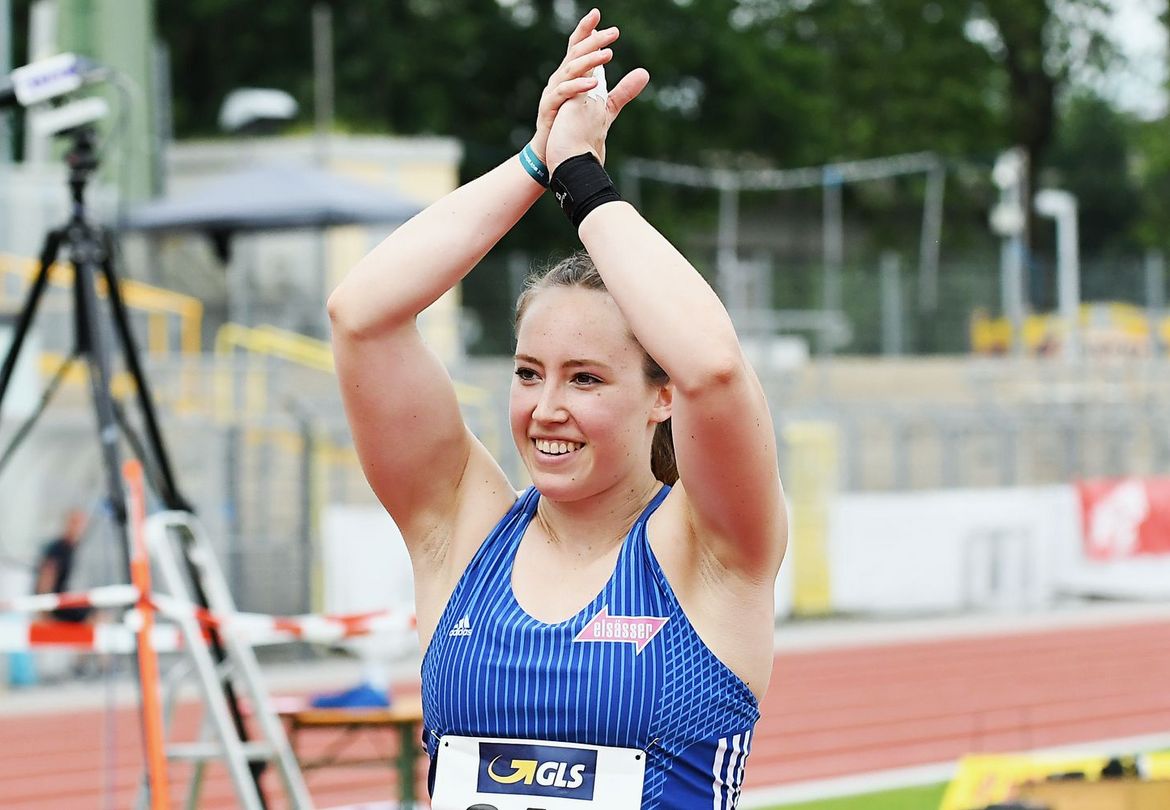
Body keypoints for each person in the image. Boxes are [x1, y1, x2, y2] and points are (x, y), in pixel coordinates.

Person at [328, 9, 786, 808]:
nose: (546, 409)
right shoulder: (461, 530)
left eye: (585, 380)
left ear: (662, 394)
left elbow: (715, 367)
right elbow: (360, 315)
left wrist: (584, 182)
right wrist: (537, 158)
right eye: (529, 373)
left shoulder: (709, 546)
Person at [34, 508, 91, 623]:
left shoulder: (71, 548)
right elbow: (45, 580)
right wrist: (44, 613)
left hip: (61, 599)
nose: (79, 528)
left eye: (81, 524)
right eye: (75, 523)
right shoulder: (58, 548)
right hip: (54, 604)